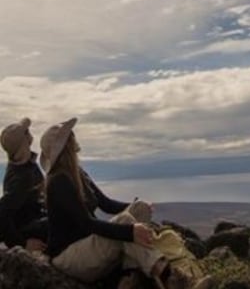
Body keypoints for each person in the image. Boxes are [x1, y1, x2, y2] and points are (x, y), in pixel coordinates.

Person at [41, 118, 210, 289]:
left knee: (140, 209)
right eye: (70, 135)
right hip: (69, 258)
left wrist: (136, 206)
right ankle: (171, 279)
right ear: (66, 145)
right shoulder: (59, 181)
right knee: (125, 222)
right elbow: (86, 224)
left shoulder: (77, 173)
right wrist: (129, 231)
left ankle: (129, 275)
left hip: (85, 245)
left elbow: (105, 204)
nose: (74, 136)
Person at [0, 117, 49, 251]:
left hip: (35, 221)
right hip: (30, 228)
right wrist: (22, 243)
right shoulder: (22, 178)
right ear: (23, 142)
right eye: (26, 132)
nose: (30, 134)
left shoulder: (25, 166)